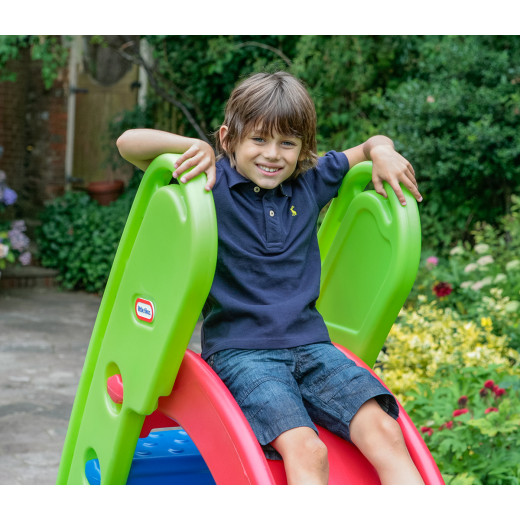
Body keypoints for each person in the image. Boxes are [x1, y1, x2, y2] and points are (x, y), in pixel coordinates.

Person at [117, 71, 424, 485]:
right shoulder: (210, 182)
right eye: (259, 140)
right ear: (229, 139)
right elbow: (128, 143)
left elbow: (370, 146)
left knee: (387, 431)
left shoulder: (309, 183)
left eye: (288, 143)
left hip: (313, 347)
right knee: (307, 449)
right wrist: (192, 147)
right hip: (242, 353)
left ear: (303, 149)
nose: (273, 154)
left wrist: (383, 151)